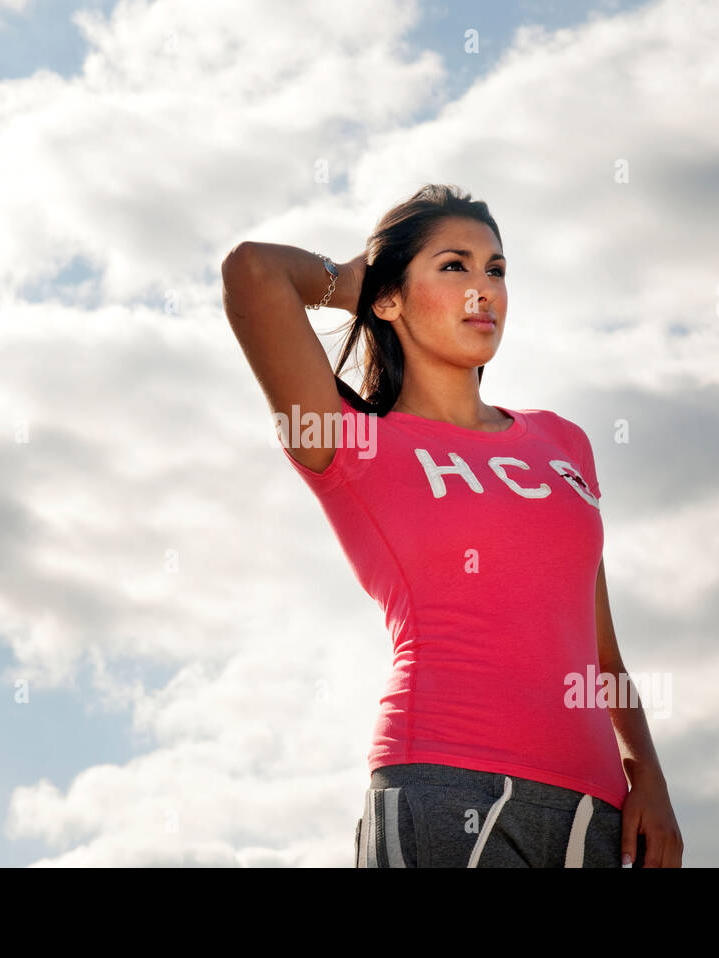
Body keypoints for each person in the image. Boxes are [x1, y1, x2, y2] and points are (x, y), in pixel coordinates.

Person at [221, 183, 682, 867]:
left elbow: (601, 654)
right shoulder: (349, 442)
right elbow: (252, 271)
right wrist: (360, 282)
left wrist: (649, 776)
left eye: (496, 270)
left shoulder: (562, 443)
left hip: (595, 806)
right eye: (454, 266)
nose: (483, 290)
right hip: (441, 782)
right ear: (389, 297)